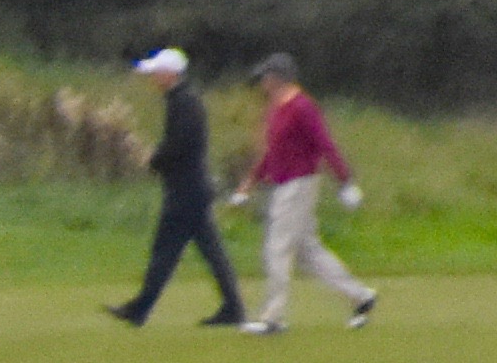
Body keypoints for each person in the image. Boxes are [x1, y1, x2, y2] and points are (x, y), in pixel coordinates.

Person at [232, 52, 379, 335]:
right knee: (307, 250)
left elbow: (325, 143)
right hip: (283, 184)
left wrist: (345, 181)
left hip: (299, 185)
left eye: (266, 77)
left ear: (277, 78)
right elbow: (272, 152)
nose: (262, 82)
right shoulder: (275, 108)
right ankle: (361, 296)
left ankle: (273, 317)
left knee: (277, 247)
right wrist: (249, 183)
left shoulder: (302, 107)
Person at [107, 48, 248, 329]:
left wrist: (153, 160)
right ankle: (232, 307)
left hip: (187, 191)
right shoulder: (182, 100)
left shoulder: (184, 102)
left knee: (168, 251)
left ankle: (141, 309)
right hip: (191, 189)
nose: (152, 79)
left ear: (170, 74)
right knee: (203, 251)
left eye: (156, 74)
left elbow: (179, 145)